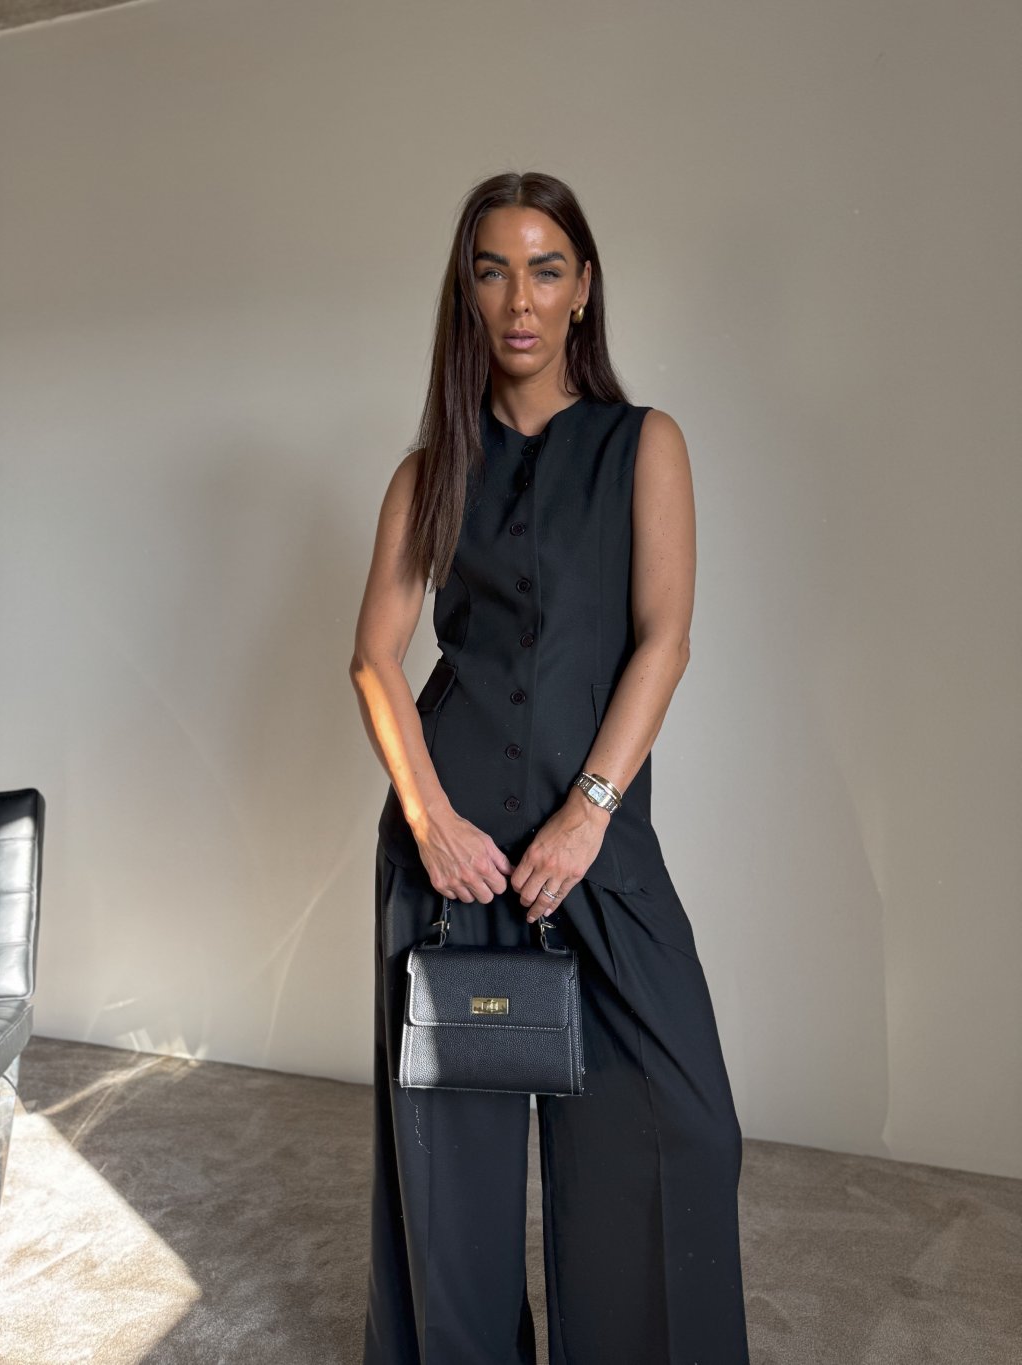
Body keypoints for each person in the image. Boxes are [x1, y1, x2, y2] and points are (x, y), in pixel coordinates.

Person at [350, 169, 750, 1365]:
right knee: (450, 1196)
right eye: (492, 271)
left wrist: (588, 813)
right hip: (452, 860)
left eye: (544, 268)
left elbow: (664, 639)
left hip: (595, 852)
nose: (517, 298)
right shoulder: (431, 470)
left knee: (679, 1131)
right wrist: (431, 823)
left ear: (583, 290)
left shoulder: (643, 446)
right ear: (466, 294)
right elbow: (375, 659)